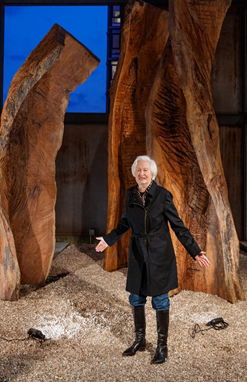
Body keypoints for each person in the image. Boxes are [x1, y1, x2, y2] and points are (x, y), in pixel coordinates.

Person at [95, 155, 210, 364]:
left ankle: (162, 346)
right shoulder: (130, 194)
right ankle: (139, 340)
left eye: (145, 170)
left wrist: (195, 250)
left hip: (159, 254)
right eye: (138, 170)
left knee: (160, 299)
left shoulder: (163, 195)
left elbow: (178, 226)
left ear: (152, 173)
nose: (142, 173)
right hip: (138, 253)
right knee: (136, 298)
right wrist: (109, 239)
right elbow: (124, 223)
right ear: (134, 173)